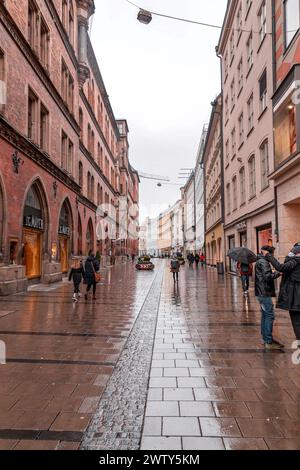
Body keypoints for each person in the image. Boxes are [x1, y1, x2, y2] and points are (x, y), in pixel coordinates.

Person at [266, 243, 300, 342]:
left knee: (296, 320)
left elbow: (280, 267)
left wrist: (269, 256)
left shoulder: (295, 261)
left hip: (295, 297)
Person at [255, 246, 284, 350]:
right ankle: (268, 340)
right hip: (264, 293)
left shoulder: (260, 260)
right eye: (272, 254)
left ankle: (265, 338)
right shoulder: (264, 262)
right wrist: (278, 273)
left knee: (264, 315)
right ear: (269, 253)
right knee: (269, 315)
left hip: (261, 292)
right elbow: (267, 276)